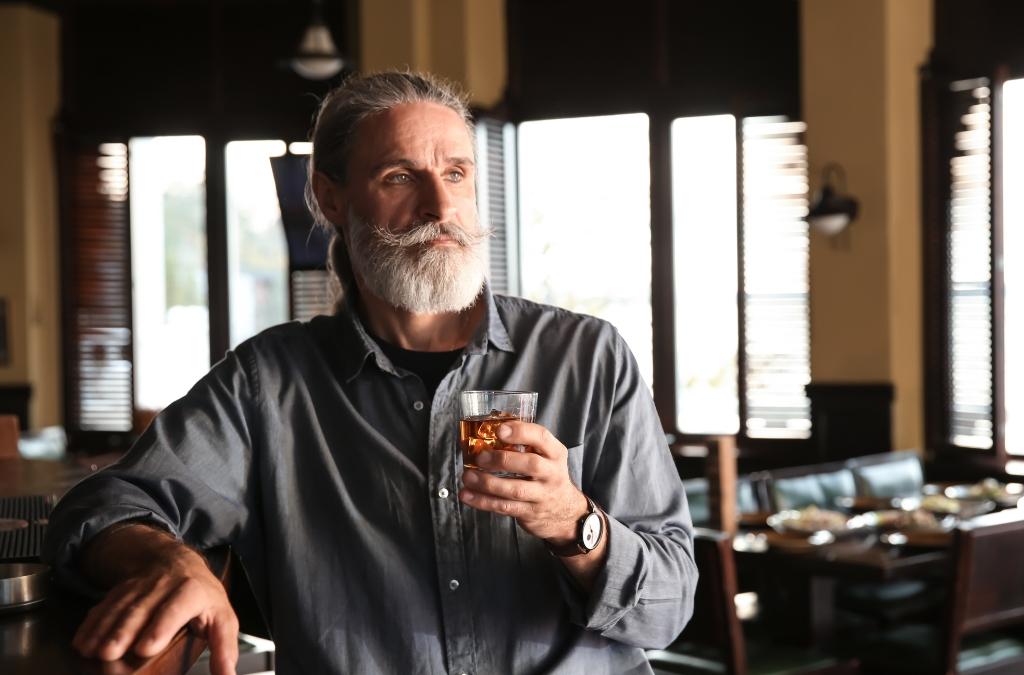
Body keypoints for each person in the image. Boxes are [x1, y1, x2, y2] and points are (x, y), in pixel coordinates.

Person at [45, 70, 697, 675]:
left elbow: (668, 611)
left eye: (456, 171)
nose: (439, 204)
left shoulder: (587, 356)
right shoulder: (268, 383)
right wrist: (169, 558)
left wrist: (574, 522)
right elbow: (102, 507)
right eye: (398, 177)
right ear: (331, 196)